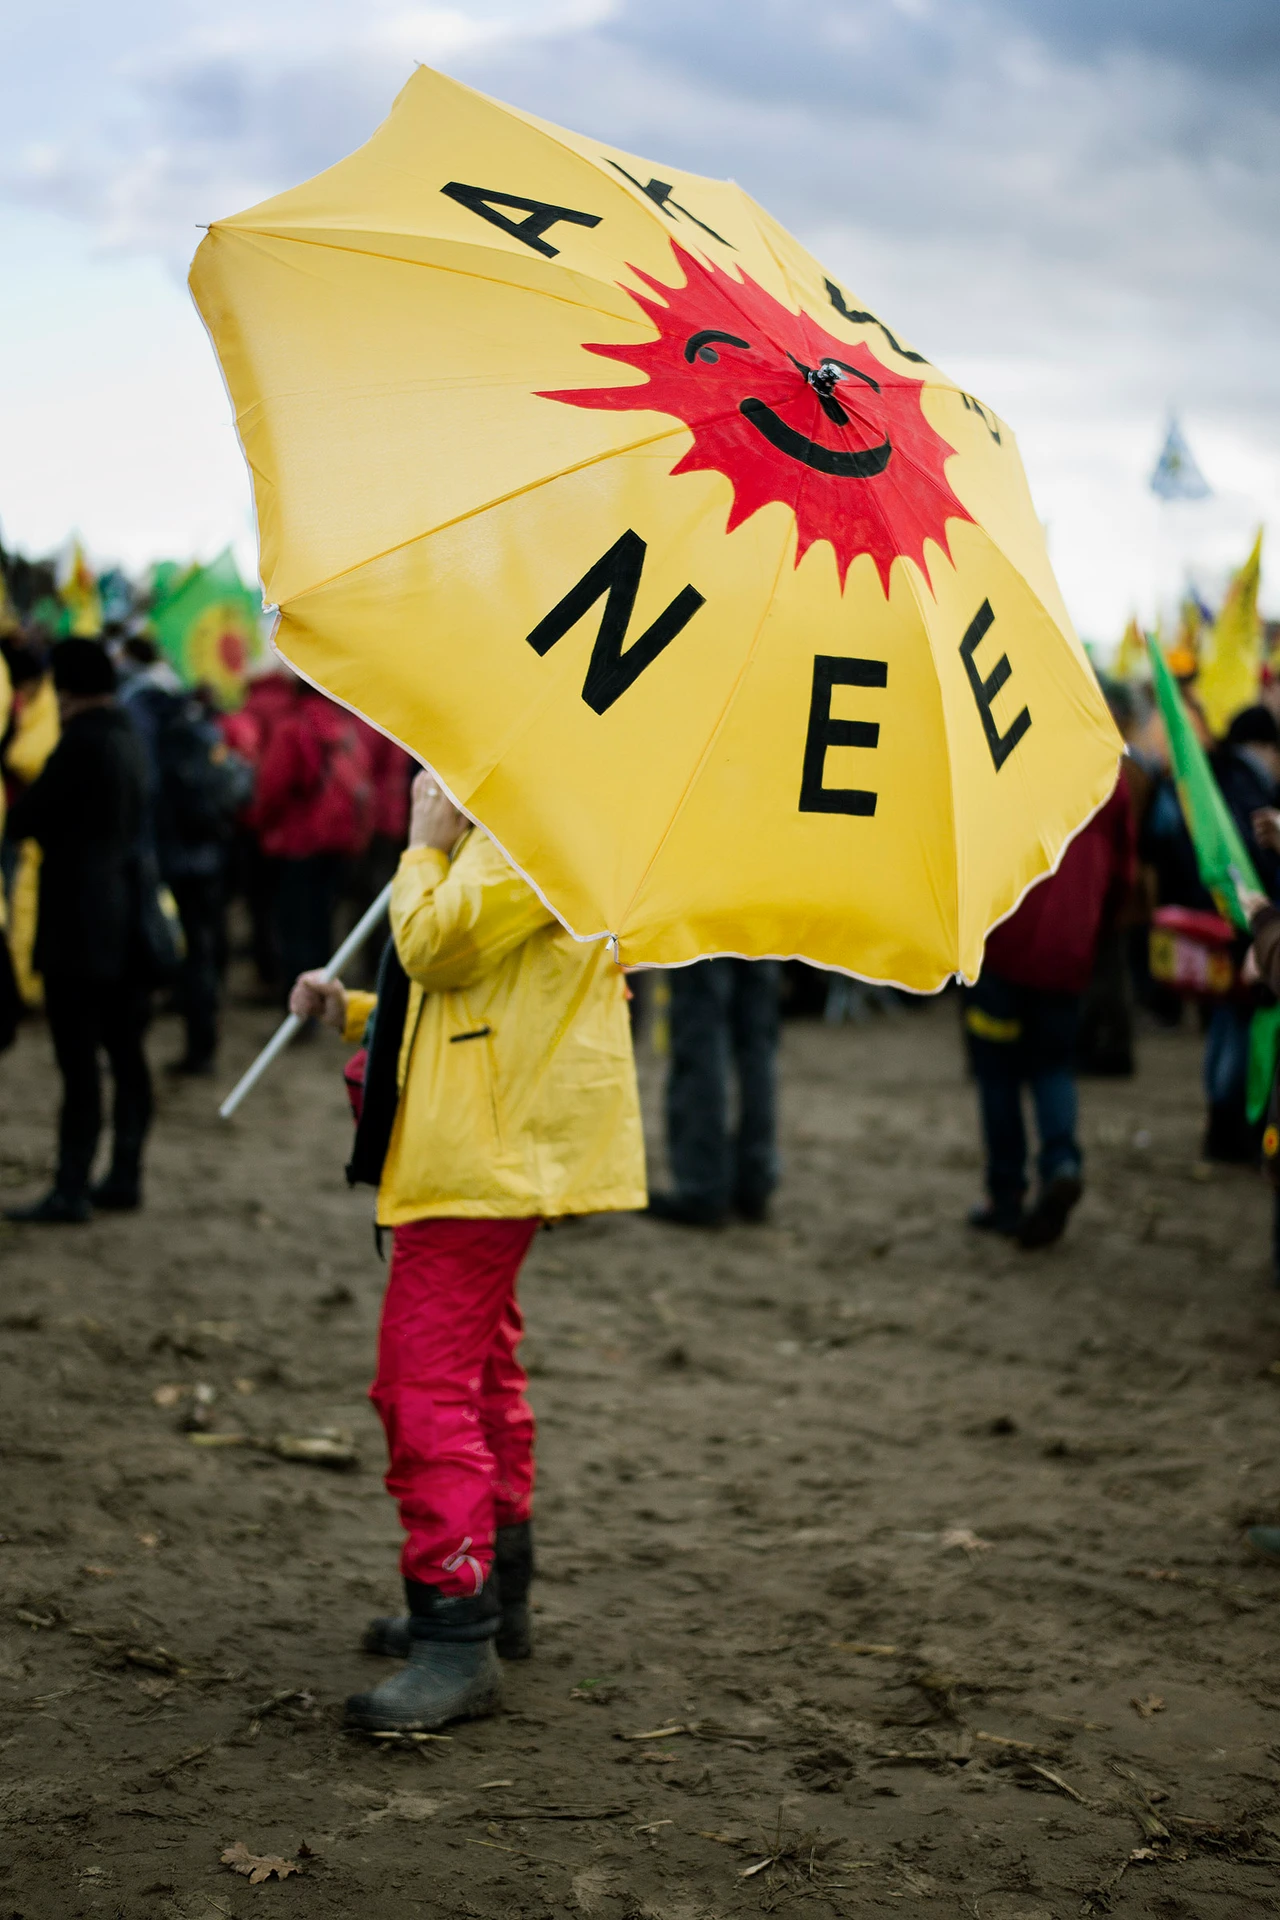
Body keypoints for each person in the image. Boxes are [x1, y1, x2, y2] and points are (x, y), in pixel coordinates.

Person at [288, 773, 645, 1732]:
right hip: (481, 1150)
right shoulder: (537, 825)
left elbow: (439, 946)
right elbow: (481, 1002)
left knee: (424, 1386)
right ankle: (494, 1600)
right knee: (479, 1373)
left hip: (480, 1163)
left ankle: (456, 1634)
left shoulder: (539, 826)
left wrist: (422, 842)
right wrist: (352, 1013)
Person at [4, 639, 151, 1222]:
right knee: (127, 1055)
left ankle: (70, 1187)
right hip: (131, 923)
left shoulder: (80, 745)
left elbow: (24, 819)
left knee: (79, 1062)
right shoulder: (129, 737)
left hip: (79, 928)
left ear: (64, 688)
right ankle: (124, 1174)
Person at [964, 774, 1135, 1249]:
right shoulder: (1107, 772)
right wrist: (1096, 929)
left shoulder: (1004, 754)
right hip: (1069, 952)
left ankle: (1005, 1197)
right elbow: (1125, 875)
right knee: (1053, 1066)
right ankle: (1061, 1164)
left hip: (1000, 945)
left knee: (997, 1076)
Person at [119, 639, 250, 1074]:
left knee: (182, 945)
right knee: (203, 943)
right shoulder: (191, 715)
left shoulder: (141, 714)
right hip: (209, 852)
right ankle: (204, 1031)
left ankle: (198, 1045)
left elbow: (147, 789)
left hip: (172, 855)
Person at [254, 680, 374, 996]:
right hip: (338, 837)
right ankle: (325, 991)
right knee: (322, 921)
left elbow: (272, 787)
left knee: (294, 924)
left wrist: (263, 827)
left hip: (297, 840)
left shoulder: (292, 727)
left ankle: (298, 1001)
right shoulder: (344, 725)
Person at [1199, 707, 1280, 1162]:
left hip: (1226, 920)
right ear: (1266, 748)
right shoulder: (1251, 789)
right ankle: (1230, 1125)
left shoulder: (1217, 777)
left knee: (1223, 1020)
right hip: (1251, 923)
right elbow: (1256, 862)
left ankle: (1220, 1118)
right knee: (1237, 1026)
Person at [645, 959, 782, 1226]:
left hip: (705, 925)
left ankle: (703, 1188)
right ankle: (755, 1184)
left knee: (700, 1031)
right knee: (756, 1036)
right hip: (765, 921)